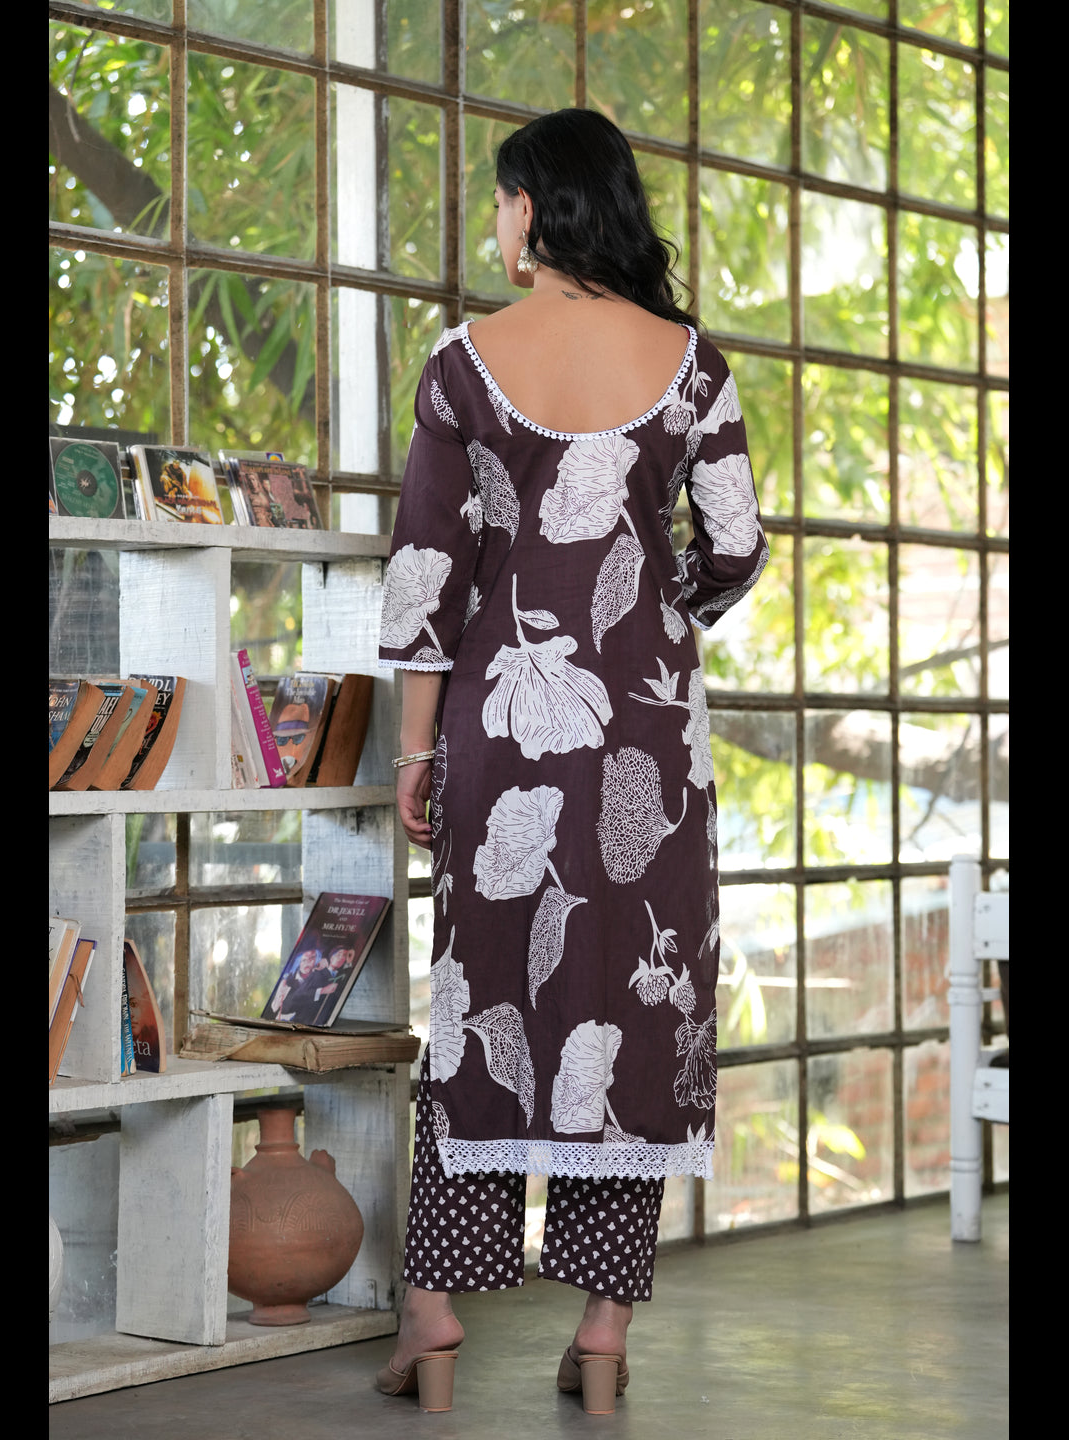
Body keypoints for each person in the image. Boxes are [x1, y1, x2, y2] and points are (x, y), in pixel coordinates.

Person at [376, 107, 769, 1415]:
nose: (496, 223)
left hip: (504, 725)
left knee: (483, 994)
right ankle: (602, 1335)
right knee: (631, 1010)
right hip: (649, 729)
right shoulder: (693, 366)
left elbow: (427, 579)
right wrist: (658, 615)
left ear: (534, 209)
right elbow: (736, 546)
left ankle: (435, 1313)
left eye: (502, 201)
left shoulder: (463, 365)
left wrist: (415, 754)